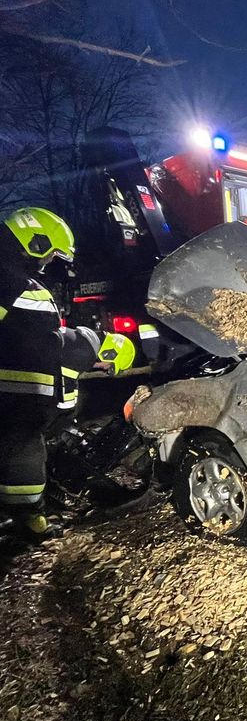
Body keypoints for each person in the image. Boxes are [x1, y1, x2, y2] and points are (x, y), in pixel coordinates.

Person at [0, 208, 135, 541]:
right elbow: (44, 346)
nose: (46, 265)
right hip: (15, 405)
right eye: (48, 256)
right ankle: (28, 520)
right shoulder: (18, 285)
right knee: (23, 446)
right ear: (35, 241)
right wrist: (95, 343)